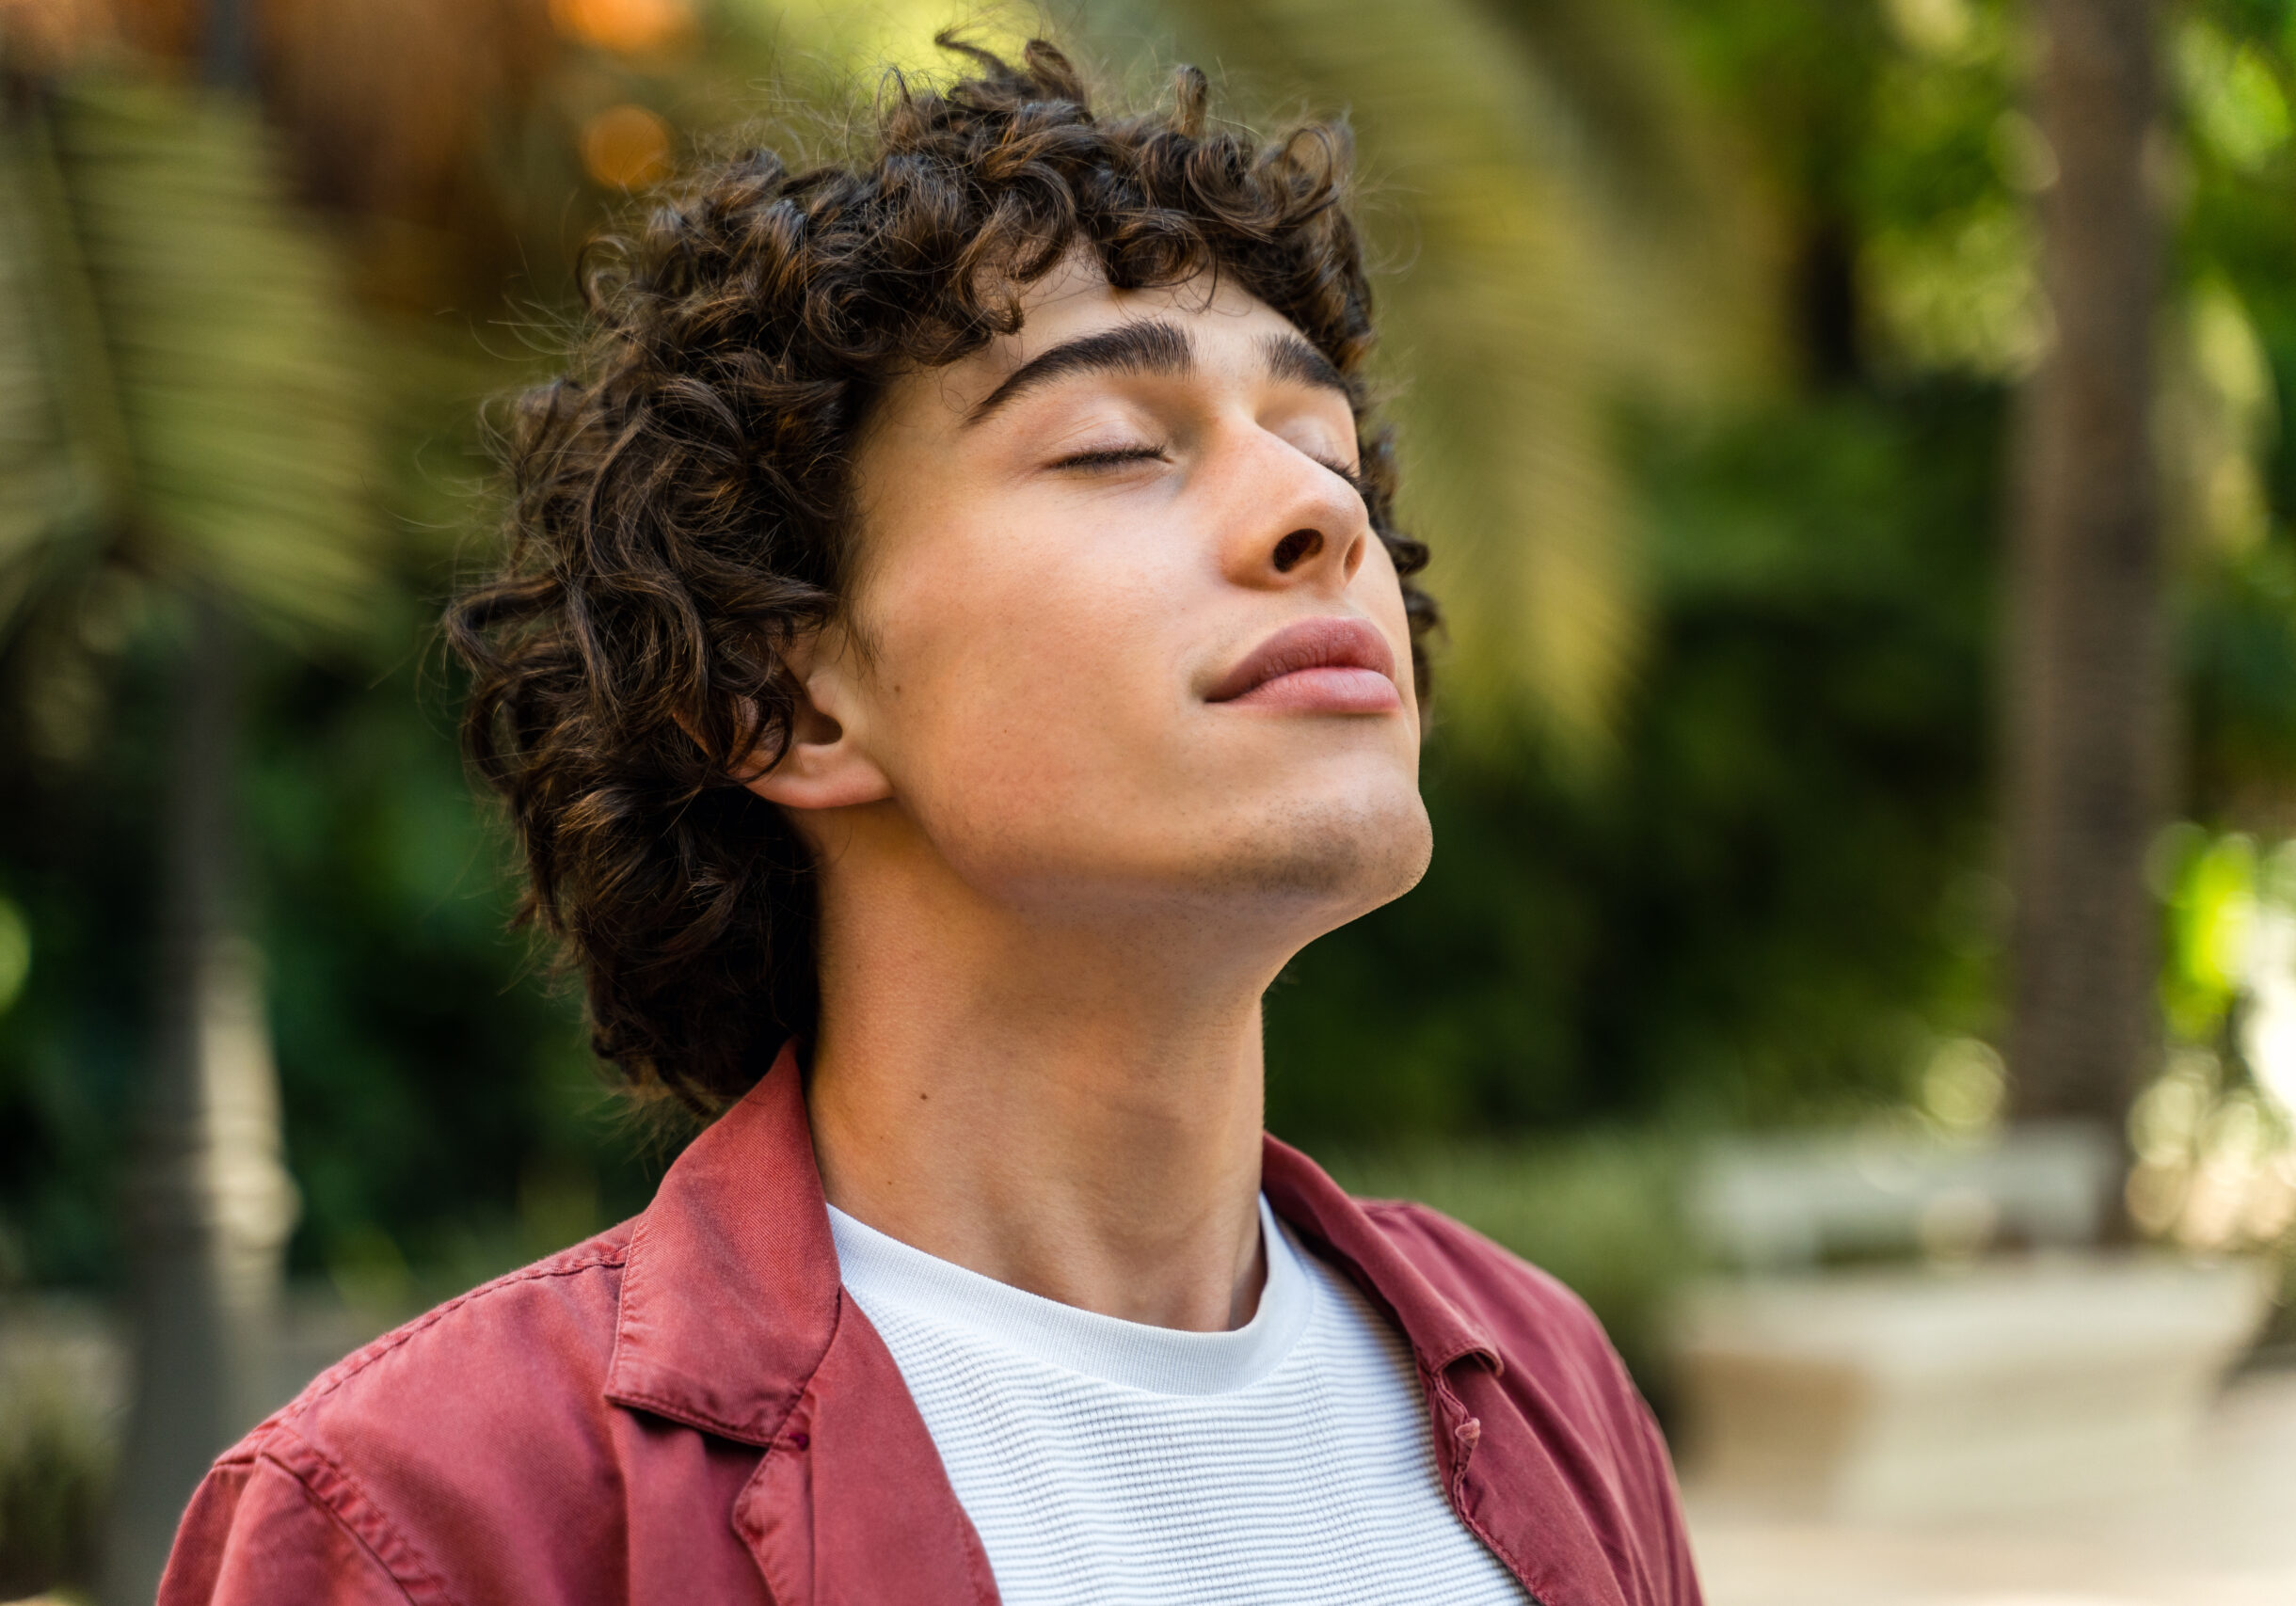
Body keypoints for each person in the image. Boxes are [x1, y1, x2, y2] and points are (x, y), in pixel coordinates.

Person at [159, 40, 1700, 1606]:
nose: (1326, 516)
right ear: (789, 700)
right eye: (1115, 448)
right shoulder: (452, 1517)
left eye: (1327, 451)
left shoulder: (1539, 1381)